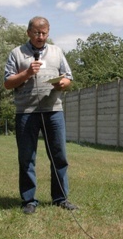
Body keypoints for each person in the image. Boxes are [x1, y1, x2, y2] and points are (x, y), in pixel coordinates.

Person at [4, 16, 78, 214]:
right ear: (28, 32)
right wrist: (27, 73)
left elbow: (69, 78)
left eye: (44, 33)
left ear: (48, 32)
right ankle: (29, 200)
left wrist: (62, 83)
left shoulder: (57, 51)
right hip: (26, 113)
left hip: (53, 111)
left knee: (59, 156)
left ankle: (60, 198)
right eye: (37, 32)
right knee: (26, 158)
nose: (40, 36)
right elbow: (8, 83)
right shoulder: (17, 53)